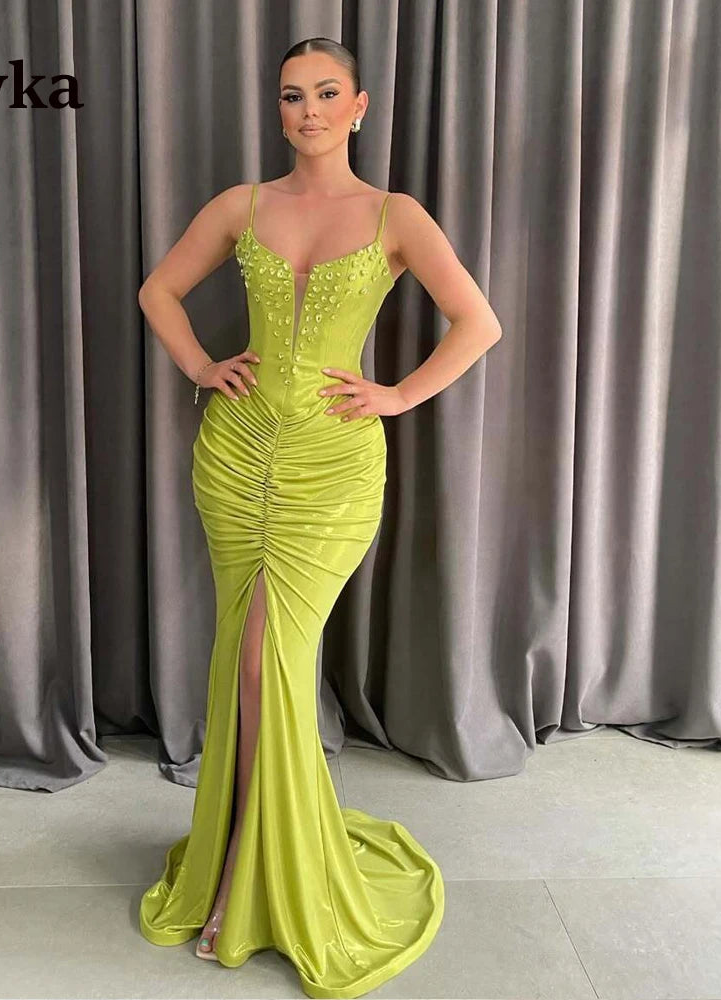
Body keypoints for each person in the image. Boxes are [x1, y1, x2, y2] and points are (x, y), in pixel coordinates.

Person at [137, 36, 502, 1000]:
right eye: (292, 96)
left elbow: (479, 323)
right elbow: (157, 291)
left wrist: (398, 394)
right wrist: (200, 366)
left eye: (326, 93)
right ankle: (240, 859)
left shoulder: (394, 215)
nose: (307, 111)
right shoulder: (243, 207)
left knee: (272, 655)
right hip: (236, 455)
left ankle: (258, 872)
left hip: (333, 469)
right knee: (242, 653)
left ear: (359, 106)